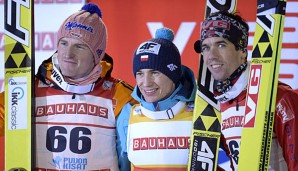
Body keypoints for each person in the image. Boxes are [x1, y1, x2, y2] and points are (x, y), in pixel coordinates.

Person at [0, 3, 137, 170]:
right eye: (63, 43)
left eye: (79, 46)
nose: (68, 53)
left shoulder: (120, 95)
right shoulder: (29, 91)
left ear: (97, 54)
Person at [195, 11, 298, 170]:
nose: (211, 56)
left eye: (221, 44)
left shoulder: (280, 98)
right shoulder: (217, 104)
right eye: (205, 48)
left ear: (242, 50)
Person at [116, 27, 196, 171]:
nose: (146, 83)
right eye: (140, 73)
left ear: (173, 74)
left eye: (155, 73)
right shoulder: (128, 115)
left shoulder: (201, 110)